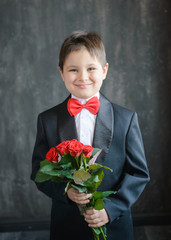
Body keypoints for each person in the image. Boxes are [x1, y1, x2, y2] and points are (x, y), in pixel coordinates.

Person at [31, 31, 150, 240]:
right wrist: (66, 192)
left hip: (115, 228)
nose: (83, 77)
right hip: (67, 229)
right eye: (73, 69)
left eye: (91, 68)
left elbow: (139, 174)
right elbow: (39, 173)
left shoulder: (126, 119)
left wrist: (109, 210)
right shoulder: (47, 120)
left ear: (104, 70)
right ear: (61, 72)